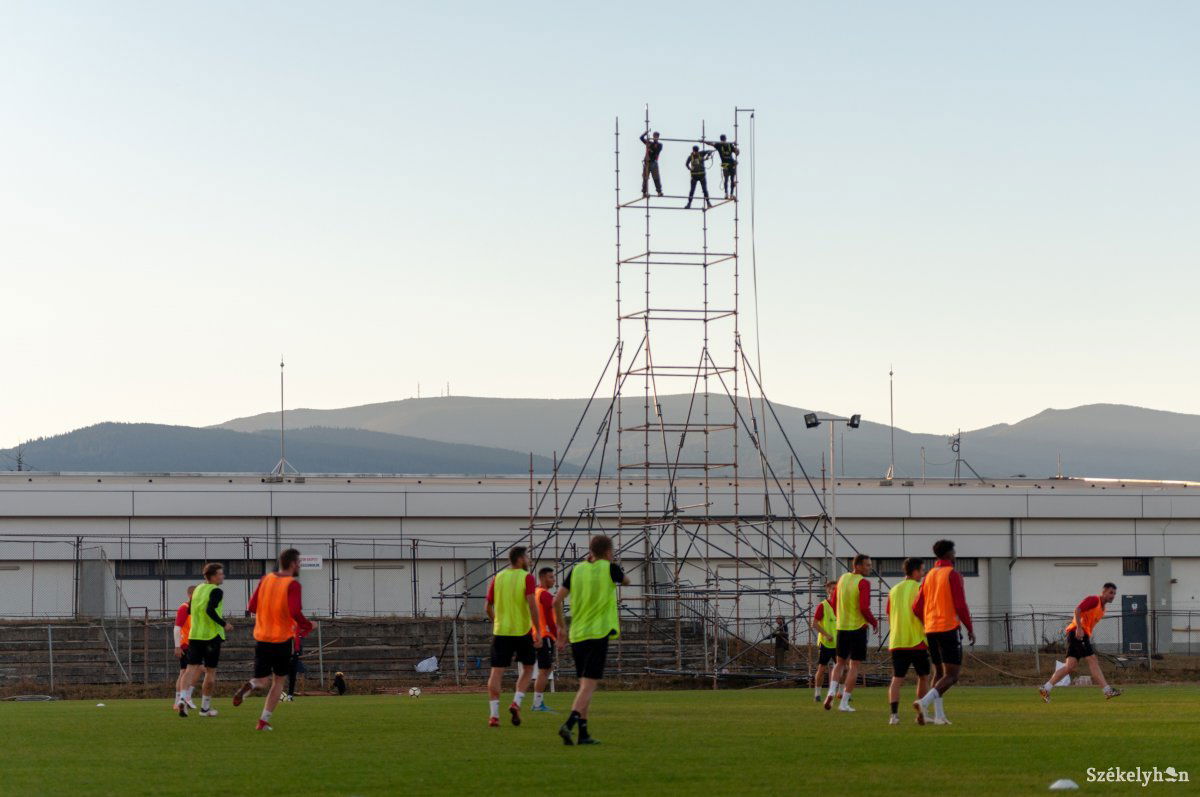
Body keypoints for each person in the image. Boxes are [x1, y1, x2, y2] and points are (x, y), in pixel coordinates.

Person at [553, 534, 629, 746]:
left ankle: (583, 734)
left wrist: (561, 628)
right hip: (598, 633)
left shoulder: (577, 570)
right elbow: (627, 581)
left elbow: (556, 600)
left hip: (577, 634)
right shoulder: (609, 568)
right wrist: (611, 564)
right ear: (607, 552)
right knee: (589, 685)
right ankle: (569, 724)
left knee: (583, 686)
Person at [231, 548, 313, 730]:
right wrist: (307, 625)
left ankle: (251, 685)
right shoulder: (293, 584)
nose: (299, 565)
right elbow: (294, 611)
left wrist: (269, 612)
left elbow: (252, 606)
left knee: (261, 680)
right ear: (292, 563)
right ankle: (263, 721)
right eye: (298, 562)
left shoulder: (266, 579)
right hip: (281, 639)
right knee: (278, 681)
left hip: (262, 637)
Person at [912, 539, 975, 725]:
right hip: (948, 628)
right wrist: (970, 628)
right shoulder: (952, 574)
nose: (955, 556)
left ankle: (939, 716)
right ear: (948, 554)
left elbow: (916, 607)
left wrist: (928, 621)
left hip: (931, 630)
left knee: (939, 673)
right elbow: (960, 604)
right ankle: (924, 702)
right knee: (952, 675)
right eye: (954, 552)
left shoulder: (929, 575)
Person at [485, 546, 542, 728]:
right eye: (527, 556)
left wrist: (496, 622)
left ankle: (494, 716)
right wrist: (538, 631)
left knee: (496, 672)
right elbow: (533, 605)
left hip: (501, 632)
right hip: (522, 631)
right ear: (520, 559)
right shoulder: (527, 577)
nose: (530, 560)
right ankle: (516, 702)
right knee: (527, 668)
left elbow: (487, 606)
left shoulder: (498, 577)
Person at [1039, 583, 1123, 702]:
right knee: (1092, 660)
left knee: (1070, 666)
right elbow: (1078, 610)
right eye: (1110, 592)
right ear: (1103, 592)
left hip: (1080, 634)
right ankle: (1107, 690)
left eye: (1114, 593)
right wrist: (1079, 628)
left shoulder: (1103, 610)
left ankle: (1045, 688)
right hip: (1077, 632)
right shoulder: (1094, 600)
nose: (1113, 595)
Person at [823, 554, 878, 712]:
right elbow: (864, 608)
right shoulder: (863, 582)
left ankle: (831, 692)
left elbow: (833, 603)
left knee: (839, 663)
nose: (870, 568)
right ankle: (844, 702)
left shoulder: (842, 579)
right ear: (858, 566)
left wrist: (840, 616)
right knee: (854, 666)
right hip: (858, 628)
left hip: (842, 628)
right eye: (867, 565)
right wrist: (873, 622)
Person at [180, 562, 232, 718]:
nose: (223, 576)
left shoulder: (197, 590)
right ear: (214, 576)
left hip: (195, 635)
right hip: (211, 637)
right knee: (210, 672)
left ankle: (182, 698)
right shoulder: (216, 591)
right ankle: (205, 709)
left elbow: (190, 610)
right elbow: (210, 610)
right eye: (221, 574)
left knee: (190, 669)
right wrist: (224, 624)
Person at [886, 557, 931, 725]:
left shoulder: (894, 590)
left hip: (897, 640)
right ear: (915, 571)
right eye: (922, 570)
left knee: (897, 678)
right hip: (917, 639)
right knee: (923, 676)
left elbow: (889, 614)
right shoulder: (920, 588)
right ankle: (922, 712)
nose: (923, 573)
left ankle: (894, 716)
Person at [531, 566, 559, 712]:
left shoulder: (535, 592)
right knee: (545, 669)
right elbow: (549, 619)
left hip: (536, 634)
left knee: (546, 668)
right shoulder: (545, 595)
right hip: (545, 636)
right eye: (550, 577)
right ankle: (537, 703)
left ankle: (537, 702)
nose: (553, 579)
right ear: (542, 578)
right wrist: (558, 635)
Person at [809, 581, 838, 702]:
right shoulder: (823, 606)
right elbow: (814, 624)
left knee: (844, 669)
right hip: (826, 643)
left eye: (837, 589)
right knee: (822, 668)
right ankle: (817, 694)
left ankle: (841, 693)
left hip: (839, 643)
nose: (835, 591)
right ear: (828, 591)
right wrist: (826, 635)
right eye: (832, 589)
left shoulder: (842, 606)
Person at [172, 585, 196, 712]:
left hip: (193, 644)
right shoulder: (184, 608)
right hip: (186, 645)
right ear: (191, 595)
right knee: (186, 672)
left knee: (186, 672)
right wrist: (177, 646)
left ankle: (181, 699)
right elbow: (177, 627)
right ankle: (183, 698)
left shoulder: (194, 609)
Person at [640, 131, 663, 196]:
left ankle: (659, 191)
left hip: (653, 163)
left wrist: (650, 148)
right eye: (654, 136)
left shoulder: (659, 145)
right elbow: (641, 138)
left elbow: (656, 152)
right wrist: (645, 133)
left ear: (658, 137)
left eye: (656, 136)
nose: (655, 137)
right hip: (647, 162)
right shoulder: (649, 143)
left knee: (656, 178)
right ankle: (644, 192)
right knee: (645, 178)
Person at [284, 636, 305, 701]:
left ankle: (290, 695)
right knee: (280, 678)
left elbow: (299, 650)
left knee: (292, 678)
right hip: (284, 660)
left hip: (294, 661)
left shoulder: (297, 640)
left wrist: (298, 654)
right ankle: (278, 694)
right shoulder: (285, 639)